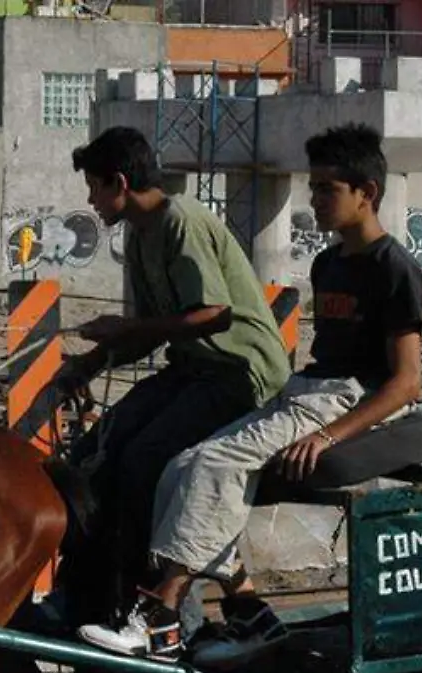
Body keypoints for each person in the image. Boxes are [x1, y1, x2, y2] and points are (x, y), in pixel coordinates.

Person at [79, 123, 422, 665]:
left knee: (213, 462)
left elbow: (406, 383)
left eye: (326, 189)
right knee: (183, 466)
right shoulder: (328, 263)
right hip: (307, 388)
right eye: (312, 188)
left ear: (367, 193)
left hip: (344, 400)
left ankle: (161, 615)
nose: (314, 200)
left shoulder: (394, 269)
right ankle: (250, 613)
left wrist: (328, 434)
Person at [54, 126, 293, 640]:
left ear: (119, 182)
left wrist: (125, 329)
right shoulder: (140, 237)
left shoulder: (181, 221)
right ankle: (80, 594)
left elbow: (214, 315)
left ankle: (144, 605)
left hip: (239, 374)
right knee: (98, 448)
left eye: (94, 187)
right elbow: (152, 331)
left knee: (144, 459)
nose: (90, 200)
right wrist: (90, 363)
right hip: (191, 371)